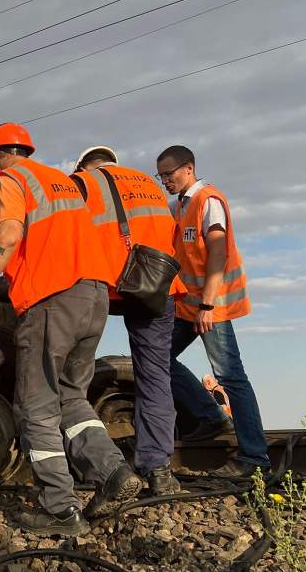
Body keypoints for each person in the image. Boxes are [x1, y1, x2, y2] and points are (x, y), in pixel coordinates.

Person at [0, 124, 143, 537]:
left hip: (52, 303)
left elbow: (8, 234)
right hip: (94, 298)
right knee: (72, 398)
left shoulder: (10, 178)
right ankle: (112, 472)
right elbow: (51, 245)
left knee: (36, 407)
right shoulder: (63, 181)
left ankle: (59, 507)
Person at [71, 146, 183, 496]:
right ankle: (159, 469)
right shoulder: (149, 183)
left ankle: (86, 463)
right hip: (155, 286)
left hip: (102, 282)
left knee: (71, 373)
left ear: (83, 166)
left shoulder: (81, 182)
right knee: (154, 376)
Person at [156, 145, 270, 478]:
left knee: (231, 376)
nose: (165, 180)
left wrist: (207, 304)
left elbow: (217, 253)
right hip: (189, 306)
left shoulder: (209, 201)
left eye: (169, 173)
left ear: (188, 168)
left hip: (210, 307)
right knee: (158, 357)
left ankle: (254, 459)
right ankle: (210, 417)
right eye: (160, 175)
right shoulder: (182, 205)